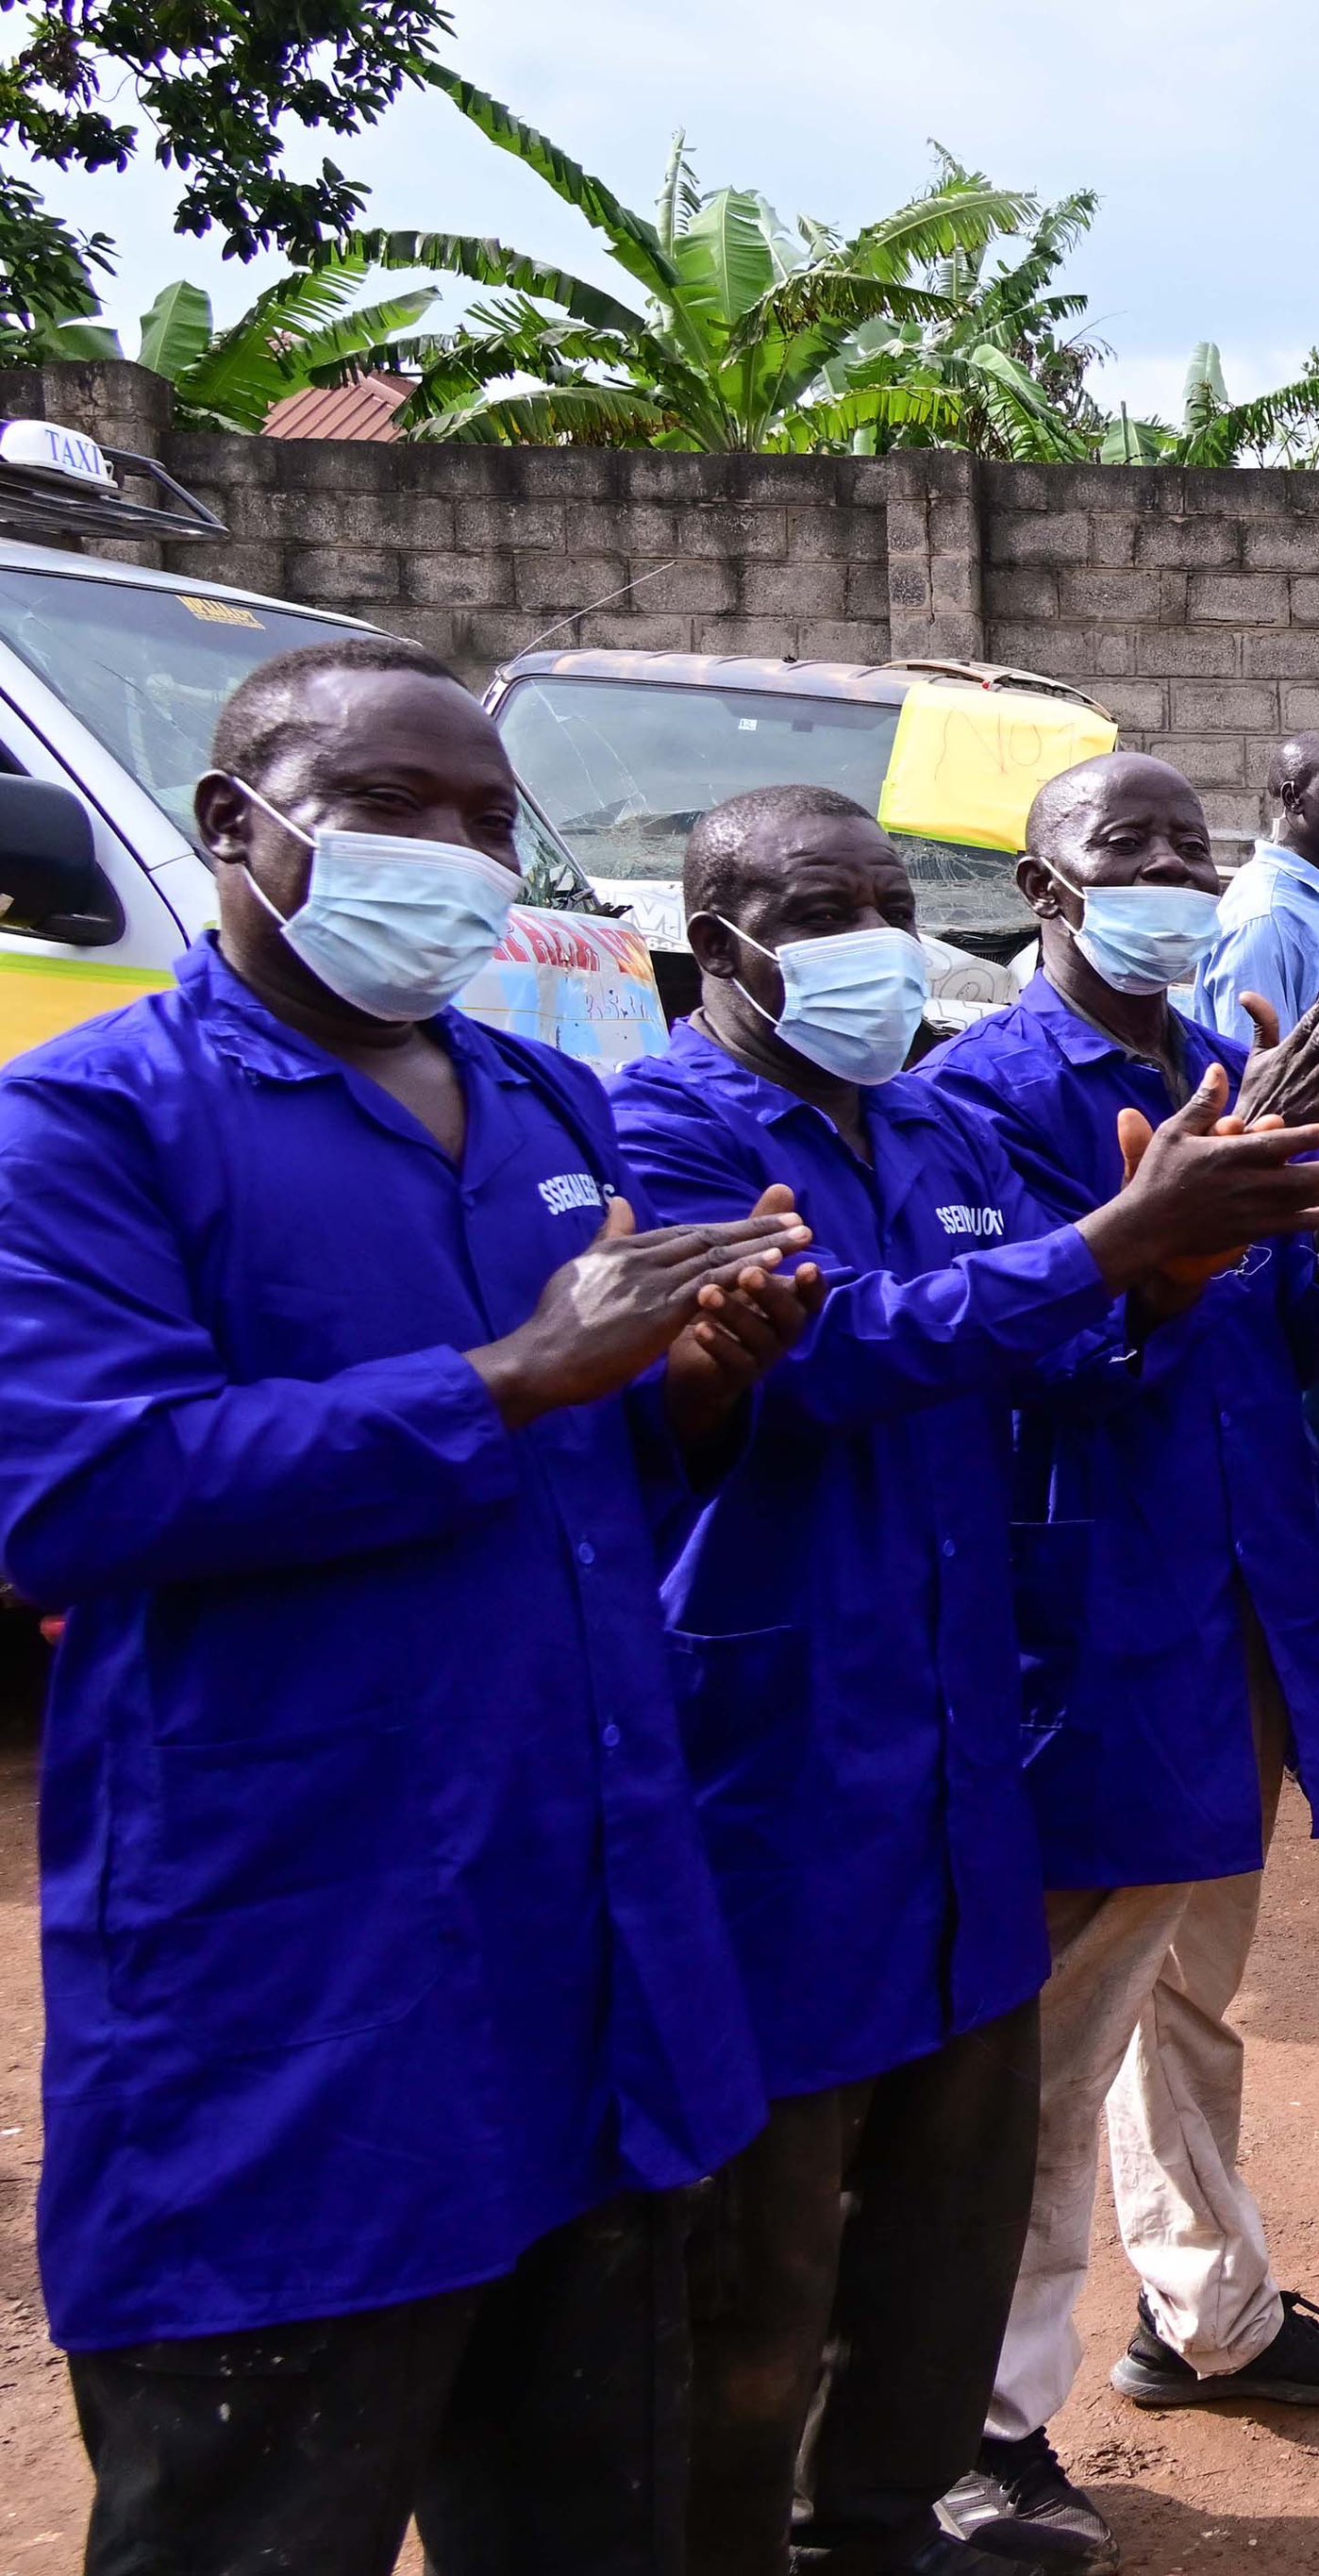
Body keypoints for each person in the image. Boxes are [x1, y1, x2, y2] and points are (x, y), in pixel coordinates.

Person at [0, 637, 818, 2573]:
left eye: (484, 822)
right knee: (262, 2519)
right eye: (395, 812)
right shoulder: (90, 1128)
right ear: (238, 825)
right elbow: (73, 1491)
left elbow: (596, 1472)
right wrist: (511, 1375)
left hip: (584, 1967)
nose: (454, 858)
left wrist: (697, 1383)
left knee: (593, 2514)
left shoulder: (544, 1104)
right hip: (299, 1995)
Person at [616, 784, 1319, 2575]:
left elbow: (1111, 1336)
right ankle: (868, 2485)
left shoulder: (926, 1123)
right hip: (813, 1707)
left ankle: (899, 2502)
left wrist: (1259, 1237)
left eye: (891, 897)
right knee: (805, 2185)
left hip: (1005, 1681)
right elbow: (842, 1355)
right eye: (828, 906)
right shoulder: (675, 1119)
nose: (879, 937)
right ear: (721, 939)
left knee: (971, 2145)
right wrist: (1131, 1249)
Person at [925, 752, 1319, 2565]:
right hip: (1093, 1624)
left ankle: (1206, 2310)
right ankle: (971, 2425)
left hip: (1236, 1612)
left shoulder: (1198, 1059)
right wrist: (1162, 1252)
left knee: (1184, 2001)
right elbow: (1009, 1362)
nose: (1166, 868)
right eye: (1122, 844)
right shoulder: (986, 1097)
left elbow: (1301, 1331)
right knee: (1049, 2051)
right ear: (1043, 884)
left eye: (1186, 842)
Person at [1192, 730, 1319, 1801]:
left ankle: (1315, 1698)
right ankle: (1294, 1718)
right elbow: (1249, 1085)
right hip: (1288, 1232)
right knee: (1297, 1481)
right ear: (1286, 795)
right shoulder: (1270, 918)